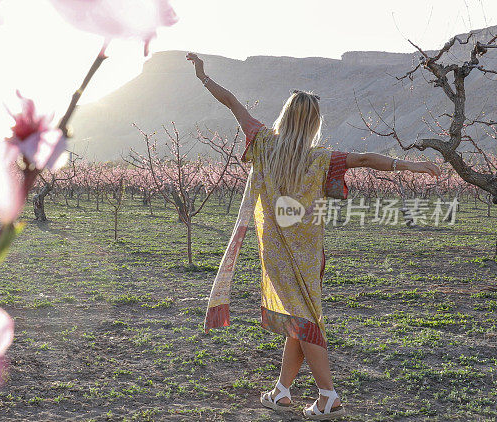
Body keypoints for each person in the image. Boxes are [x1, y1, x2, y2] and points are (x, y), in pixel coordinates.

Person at [186, 52, 440, 420]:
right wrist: (410, 164)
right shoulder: (322, 158)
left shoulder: (261, 142)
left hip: (275, 252)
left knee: (302, 319)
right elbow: (367, 159)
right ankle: (281, 391)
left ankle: (327, 395)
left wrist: (203, 77)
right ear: (314, 124)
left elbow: (232, 103)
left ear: (285, 115)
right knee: (301, 317)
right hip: (309, 254)